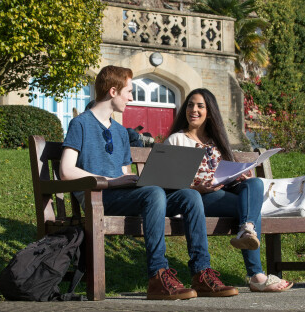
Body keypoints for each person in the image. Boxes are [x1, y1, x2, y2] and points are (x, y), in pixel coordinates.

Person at [59, 66, 238, 300]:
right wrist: (113, 181)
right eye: (129, 91)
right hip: (97, 197)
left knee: (189, 196)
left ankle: (201, 273)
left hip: (122, 195)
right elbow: (65, 170)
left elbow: (125, 174)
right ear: (113, 91)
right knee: (153, 193)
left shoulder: (121, 132)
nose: (132, 97)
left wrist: (142, 179)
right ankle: (157, 276)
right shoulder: (80, 124)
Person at [164, 88, 293, 293]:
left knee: (255, 184)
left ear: (210, 112)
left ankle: (246, 231)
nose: (193, 110)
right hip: (196, 199)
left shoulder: (217, 142)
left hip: (222, 192)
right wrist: (195, 187)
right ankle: (255, 274)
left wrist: (238, 175)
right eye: (190, 105)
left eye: (200, 106)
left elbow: (225, 173)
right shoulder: (176, 140)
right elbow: (168, 181)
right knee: (251, 208)